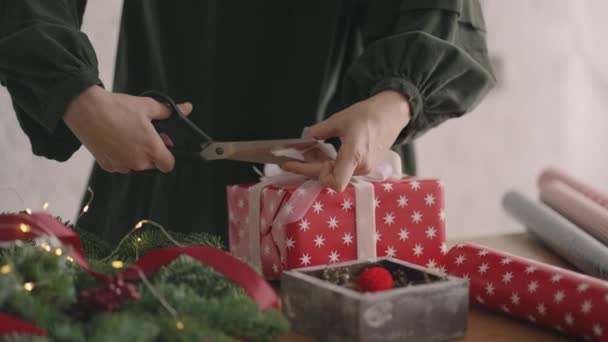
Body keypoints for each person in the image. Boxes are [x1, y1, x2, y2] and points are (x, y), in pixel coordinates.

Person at [0, 1, 495, 244]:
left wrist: (393, 102)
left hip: (337, 198)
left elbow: (441, 8)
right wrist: (78, 98)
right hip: (159, 177)